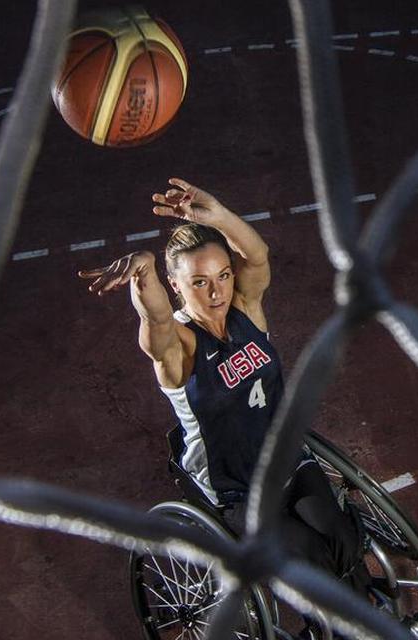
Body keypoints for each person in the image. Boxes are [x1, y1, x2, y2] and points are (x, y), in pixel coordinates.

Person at [78, 178, 368, 594]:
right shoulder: (178, 348)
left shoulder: (246, 309)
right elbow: (156, 319)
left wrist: (218, 216)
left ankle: (367, 610)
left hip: (287, 462)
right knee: (310, 558)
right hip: (235, 491)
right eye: (199, 281)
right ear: (175, 286)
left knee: (344, 540)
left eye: (224, 275)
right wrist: (143, 268)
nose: (216, 291)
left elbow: (257, 255)